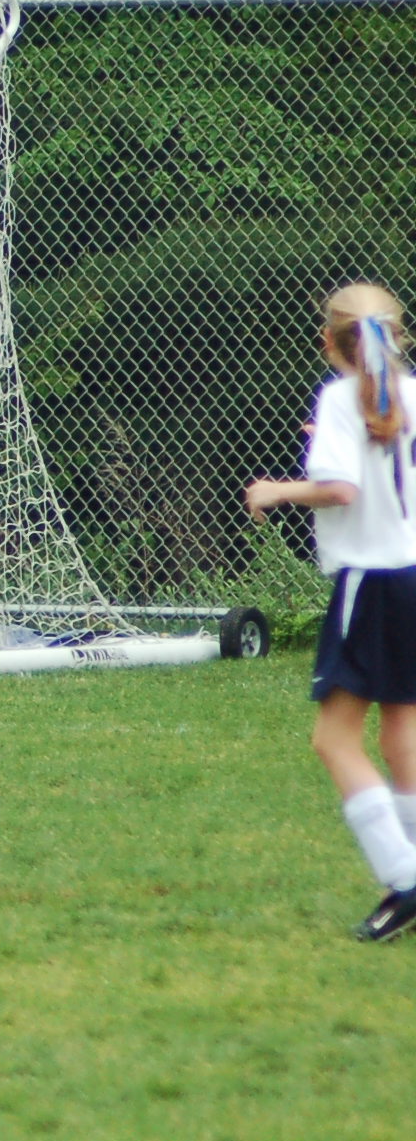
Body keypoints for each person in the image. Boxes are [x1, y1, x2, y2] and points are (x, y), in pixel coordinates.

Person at [247, 283, 416, 941]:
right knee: (401, 729)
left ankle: (405, 878)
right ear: (397, 334)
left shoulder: (341, 398)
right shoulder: (408, 394)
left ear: (328, 341)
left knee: (334, 738)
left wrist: (278, 489)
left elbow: (342, 489)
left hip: (371, 583)